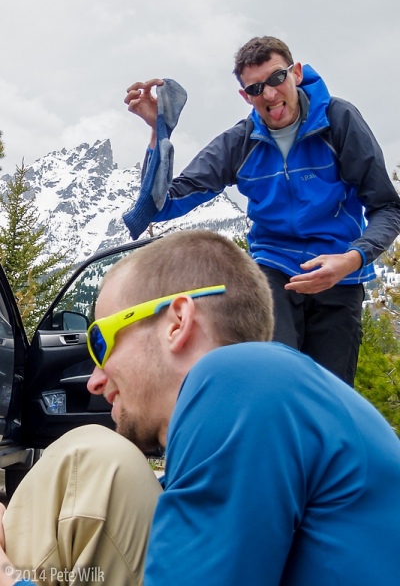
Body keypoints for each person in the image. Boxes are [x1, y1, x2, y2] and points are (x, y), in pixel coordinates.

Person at [1, 229, 400, 586]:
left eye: (101, 342)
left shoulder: (242, 378)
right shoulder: (275, 395)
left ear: (177, 323)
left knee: (91, 459)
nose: (95, 379)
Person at [123, 36, 400, 386]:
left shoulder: (339, 120)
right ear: (245, 96)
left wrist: (352, 258)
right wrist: (157, 131)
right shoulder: (239, 143)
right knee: (278, 383)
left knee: (330, 395)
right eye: (256, 88)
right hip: (273, 273)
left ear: (295, 73)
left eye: (276, 78)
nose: (269, 95)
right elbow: (159, 207)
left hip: (340, 273)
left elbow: (387, 207)